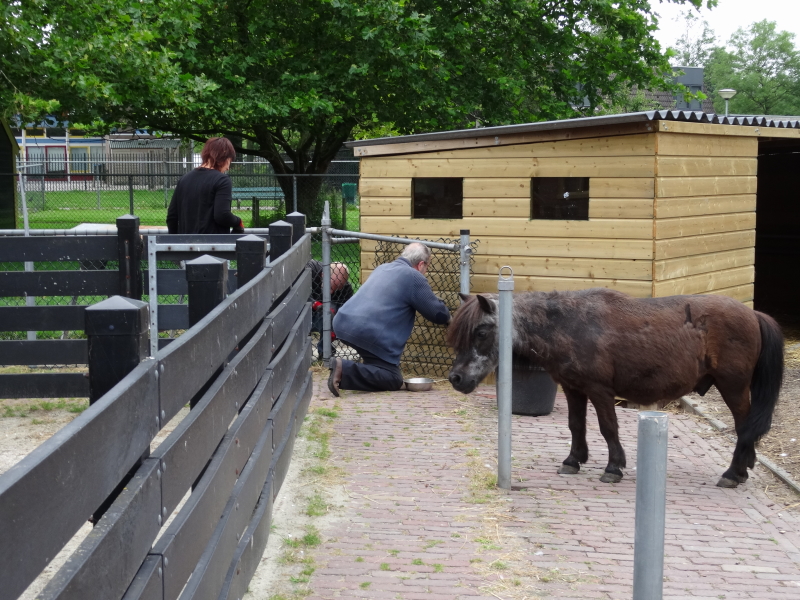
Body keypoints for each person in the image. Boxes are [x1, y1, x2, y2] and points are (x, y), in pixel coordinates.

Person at [327, 243, 451, 395]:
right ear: (421, 264)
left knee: (380, 368)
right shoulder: (413, 276)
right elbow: (438, 314)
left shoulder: (383, 268)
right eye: (427, 268)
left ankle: (343, 371)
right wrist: (449, 317)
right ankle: (344, 369)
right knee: (392, 378)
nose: (425, 272)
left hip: (342, 322)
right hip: (365, 331)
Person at [166, 137, 245, 234]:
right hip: (214, 245)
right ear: (224, 157)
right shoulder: (222, 180)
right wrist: (238, 222)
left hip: (186, 245)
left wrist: (175, 242)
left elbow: (172, 217)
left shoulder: (184, 179)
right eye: (230, 161)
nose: (228, 168)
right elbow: (222, 215)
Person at [307, 259, 354, 357]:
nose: (331, 292)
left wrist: (335, 326)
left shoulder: (346, 289)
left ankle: (324, 351)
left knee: (331, 311)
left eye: (337, 288)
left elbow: (346, 312)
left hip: (324, 316)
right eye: (331, 287)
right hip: (305, 312)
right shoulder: (311, 269)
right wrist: (316, 305)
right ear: (323, 275)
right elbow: (298, 294)